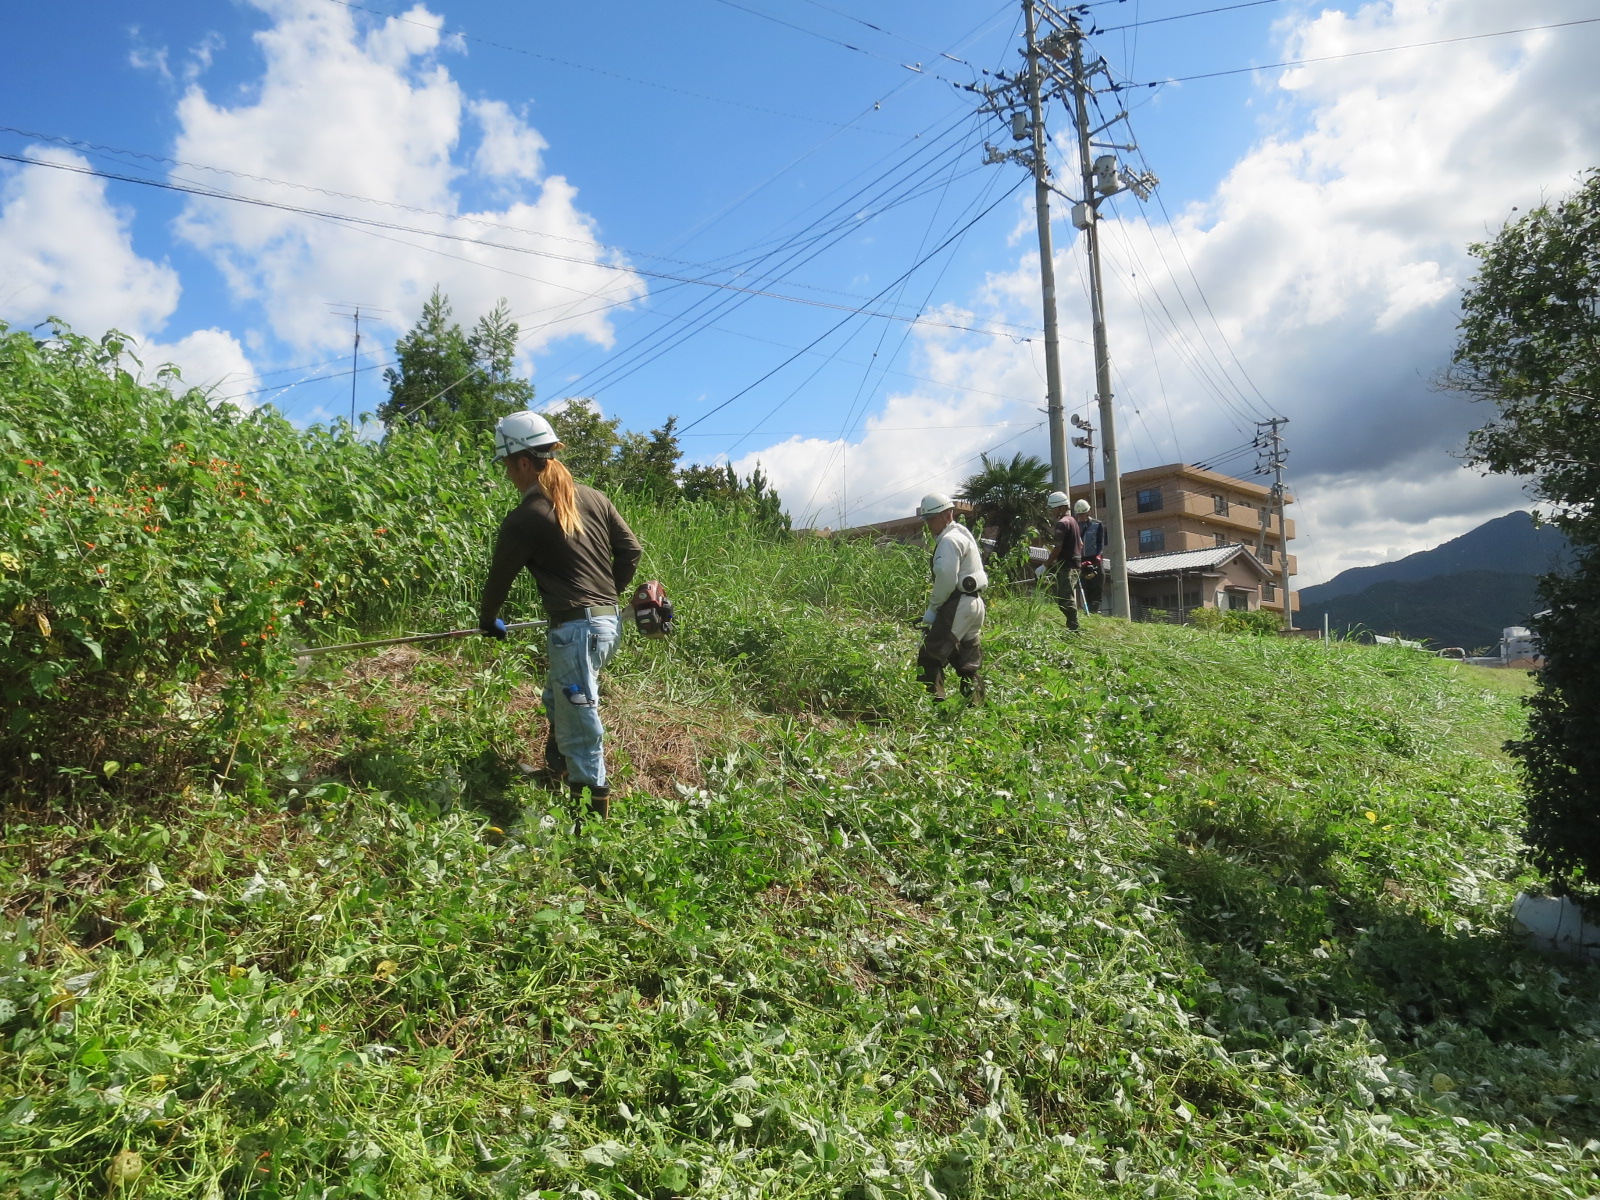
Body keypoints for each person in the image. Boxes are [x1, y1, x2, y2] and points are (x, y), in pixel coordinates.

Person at [479, 410, 642, 821]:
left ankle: (590, 824)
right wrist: (605, 601)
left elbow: (500, 578)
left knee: (580, 727)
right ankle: (558, 773)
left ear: (521, 461)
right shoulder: (594, 497)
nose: (506, 475)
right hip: (605, 627)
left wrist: (488, 619)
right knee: (559, 699)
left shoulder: (527, 515)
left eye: (505, 466)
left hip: (577, 632)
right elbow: (631, 552)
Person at [914, 493, 988, 700]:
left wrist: (932, 610)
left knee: (931, 656)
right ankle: (975, 706)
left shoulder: (948, 540)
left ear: (948, 515)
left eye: (932, 519)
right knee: (967, 661)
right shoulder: (963, 535)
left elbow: (946, 578)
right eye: (927, 519)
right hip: (975, 604)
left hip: (959, 604)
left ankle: (934, 707)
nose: (929, 525)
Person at [1036, 490, 1082, 631]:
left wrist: (1044, 565)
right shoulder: (1073, 521)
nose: (1051, 512)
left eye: (1053, 509)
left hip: (1067, 565)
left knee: (1064, 600)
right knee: (1064, 598)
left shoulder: (1062, 524)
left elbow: (1058, 548)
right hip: (1074, 564)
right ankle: (1072, 627)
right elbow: (1080, 544)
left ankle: (1075, 629)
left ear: (1061, 507)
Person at [1075, 498, 1107, 615]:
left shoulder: (1097, 524)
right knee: (1084, 585)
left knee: (1097, 583)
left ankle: (1095, 609)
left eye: (1083, 514)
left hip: (1094, 559)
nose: (1081, 517)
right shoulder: (1075, 526)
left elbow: (1100, 542)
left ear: (1088, 512)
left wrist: (1097, 557)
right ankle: (1086, 610)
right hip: (1081, 560)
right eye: (1079, 514)